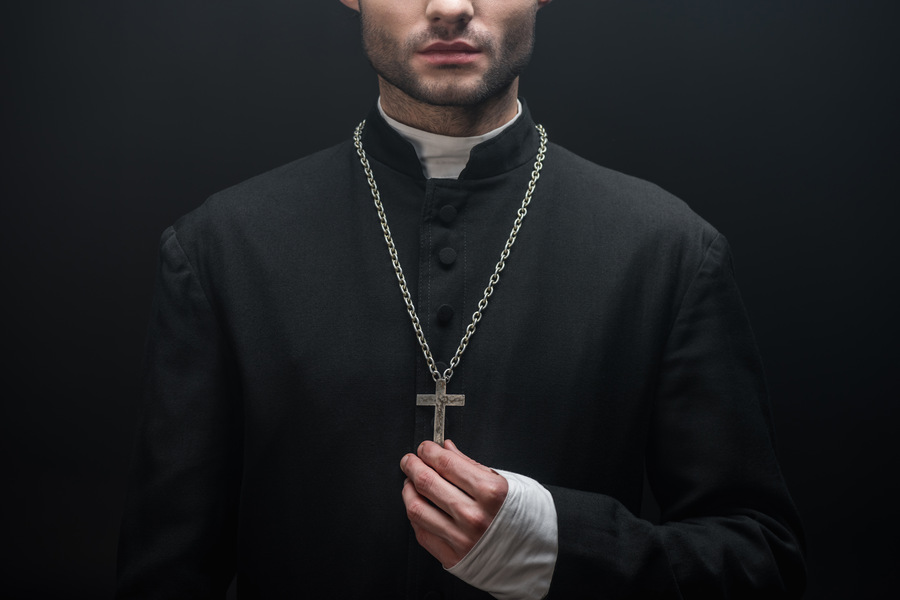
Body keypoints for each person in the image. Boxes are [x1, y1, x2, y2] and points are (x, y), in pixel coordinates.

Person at [116, 1, 806, 598]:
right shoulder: (220, 251)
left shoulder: (668, 250)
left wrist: (563, 545)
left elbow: (761, 562)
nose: (449, 8)